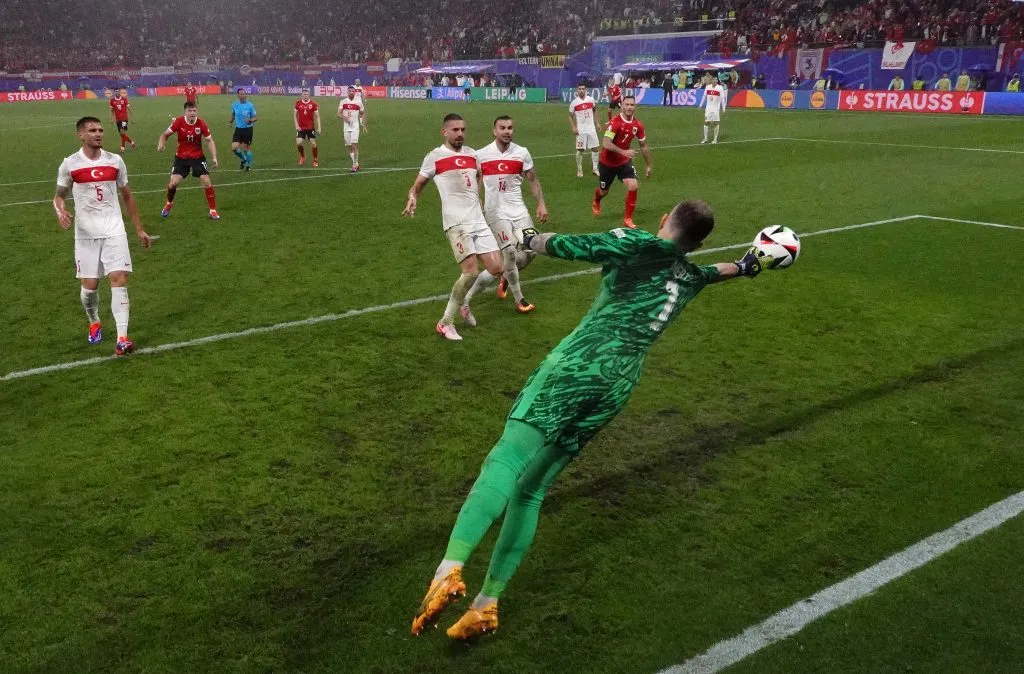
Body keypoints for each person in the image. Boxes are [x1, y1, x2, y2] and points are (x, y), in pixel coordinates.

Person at [410, 199, 779, 640]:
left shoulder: (641, 242)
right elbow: (717, 272)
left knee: (505, 460)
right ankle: (486, 605)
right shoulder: (689, 276)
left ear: (664, 222)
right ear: (697, 242)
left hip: (581, 365)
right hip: (618, 384)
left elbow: (578, 245)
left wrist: (529, 240)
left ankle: (449, 568)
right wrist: (751, 263)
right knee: (531, 491)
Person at [53, 116, 152, 356]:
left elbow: (127, 195)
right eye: (92, 130)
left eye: (100, 130)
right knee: (90, 288)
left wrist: (138, 229)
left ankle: (122, 339)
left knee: (118, 278)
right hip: (86, 235)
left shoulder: (115, 161)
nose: (98, 133)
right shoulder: (70, 164)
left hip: (114, 231)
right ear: (81, 135)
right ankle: (94, 320)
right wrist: (60, 210)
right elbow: (58, 196)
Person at [402, 113, 504, 341]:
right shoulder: (434, 157)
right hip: (456, 222)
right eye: (455, 130)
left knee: (498, 268)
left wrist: (477, 198)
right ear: (445, 132)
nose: (460, 134)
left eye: (463, 130)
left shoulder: (472, 154)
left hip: (478, 220)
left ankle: (464, 302)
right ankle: (445, 322)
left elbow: (477, 176)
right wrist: (413, 198)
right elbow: (417, 185)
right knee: (470, 272)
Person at [463, 115, 548, 314]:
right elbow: (476, 179)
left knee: (530, 252)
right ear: (495, 131)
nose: (507, 131)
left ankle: (504, 277)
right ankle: (520, 299)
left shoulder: (522, 153)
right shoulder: (481, 154)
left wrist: (541, 204)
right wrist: (476, 201)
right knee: (510, 251)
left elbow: (533, 179)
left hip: (519, 211)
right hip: (495, 212)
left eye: (510, 127)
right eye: (502, 128)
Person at [592, 95, 651, 229]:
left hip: (624, 162)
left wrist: (648, 165)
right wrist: (624, 151)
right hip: (607, 163)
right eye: (627, 104)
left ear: (635, 107)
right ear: (622, 106)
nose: (629, 107)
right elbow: (606, 143)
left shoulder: (637, 125)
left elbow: (643, 146)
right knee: (603, 191)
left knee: (633, 186)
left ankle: (628, 219)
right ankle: (596, 200)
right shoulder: (615, 123)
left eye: (632, 105)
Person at [157, 102, 220, 220]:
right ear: (185, 112)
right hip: (181, 157)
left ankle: (213, 210)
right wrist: (161, 144)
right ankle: (168, 204)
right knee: (173, 183)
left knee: (206, 180)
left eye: (194, 111)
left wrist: (214, 157)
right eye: (190, 111)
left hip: (197, 157)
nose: (192, 113)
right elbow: (164, 135)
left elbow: (209, 141)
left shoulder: (201, 123)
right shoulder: (179, 122)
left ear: (197, 111)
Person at [568, 84, 600, 178]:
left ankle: (595, 169)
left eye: (583, 89)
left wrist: (597, 123)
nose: (581, 90)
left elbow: (594, 111)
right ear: (577, 90)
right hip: (581, 130)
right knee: (580, 150)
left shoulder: (590, 99)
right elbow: (570, 116)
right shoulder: (574, 103)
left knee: (595, 148)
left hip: (591, 129)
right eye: (580, 89)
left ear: (585, 90)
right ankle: (579, 169)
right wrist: (574, 127)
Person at [337, 88, 366, 172]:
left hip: (355, 127)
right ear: (347, 92)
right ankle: (357, 164)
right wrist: (346, 118)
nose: (351, 92)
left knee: (354, 145)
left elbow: (362, 113)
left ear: (355, 93)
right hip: (346, 127)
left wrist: (363, 124)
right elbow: (338, 113)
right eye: (350, 91)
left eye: (353, 91)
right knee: (349, 147)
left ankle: (354, 164)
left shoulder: (359, 102)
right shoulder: (343, 101)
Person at [229, 88, 257, 171]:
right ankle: (244, 159)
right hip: (238, 129)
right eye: (241, 94)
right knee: (234, 148)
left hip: (247, 129)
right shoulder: (234, 105)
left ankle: (249, 165)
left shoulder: (250, 105)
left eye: (244, 94)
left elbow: (255, 117)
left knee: (246, 148)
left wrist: (251, 120)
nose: (243, 95)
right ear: (238, 95)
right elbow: (233, 114)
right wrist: (231, 121)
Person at [294, 88, 322, 167]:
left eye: (307, 94)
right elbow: (295, 115)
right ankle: (303, 157)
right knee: (299, 143)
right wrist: (296, 125)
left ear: (309, 95)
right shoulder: (298, 103)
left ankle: (315, 160)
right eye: (304, 94)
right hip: (301, 128)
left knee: (313, 144)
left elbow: (317, 117)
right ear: (301, 95)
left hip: (310, 127)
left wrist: (319, 127)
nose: (305, 96)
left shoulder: (313, 104)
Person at [701, 74, 727, 145]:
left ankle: (715, 139)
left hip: (716, 109)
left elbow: (722, 99)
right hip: (708, 108)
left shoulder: (720, 88)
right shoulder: (708, 87)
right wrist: (701, 105)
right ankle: (705, 138)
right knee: (706, 122)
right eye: (714, 79)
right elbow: (704, 96)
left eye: (716, 80)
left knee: (716, 123)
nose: (715, 81)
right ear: (711, 80)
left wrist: (723, 108)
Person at [108, 88, 135, 153]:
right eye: (116, 92)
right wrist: (111, 119)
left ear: (119, 93)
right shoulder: (112, 101)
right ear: (114, 93)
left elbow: (129, 108)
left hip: (124, 119)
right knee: (122, 134)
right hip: (118, 120)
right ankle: (131, 142)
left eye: (118, 92)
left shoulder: (124, 99)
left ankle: (122, 148)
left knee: (122, 133)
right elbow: (112, 111)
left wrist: (132, 118)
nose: (117, 93)